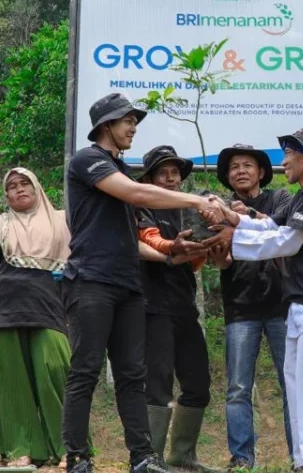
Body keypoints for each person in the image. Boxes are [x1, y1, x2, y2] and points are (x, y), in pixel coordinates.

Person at [61, 93, 220, 473]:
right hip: (91, 281)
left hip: (129, 286)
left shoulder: (119, 172)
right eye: (126, 121)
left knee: (133, 375)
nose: (133, 127)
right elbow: (135, 192)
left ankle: (142, 458)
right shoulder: (88, 161)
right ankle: (78, 457)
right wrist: (195, 201)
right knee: (85, 369)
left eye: (134, 121)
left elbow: (134, 242)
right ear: (105, 126)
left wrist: (171, 254)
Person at [206, 125, 303, 473]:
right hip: (301, 305)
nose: (283, 162)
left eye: (289, 154)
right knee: (301, 388)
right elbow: (271, 227)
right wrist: (233, 218)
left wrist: (233, 238)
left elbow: (288, 241)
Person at [0, 167, 73, 467]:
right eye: (11, 186)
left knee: (56, 370)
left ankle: (69, 446)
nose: (18, 189)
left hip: (50, 306)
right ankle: (19, 449)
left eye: (25, 183)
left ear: (37, 187)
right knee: (12, 382)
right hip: (6, 308)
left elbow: (80, 261)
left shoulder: (64, 221)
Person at [208, 143, 293, 469]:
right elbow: (226, 260)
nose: (240, 171)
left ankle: (299, 456)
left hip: (282, 305)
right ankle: (242, 459)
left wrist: (247, 216)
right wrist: (220, 259)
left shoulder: (280, 199)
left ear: (260, 171)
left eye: (247, 165)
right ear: (227, 177)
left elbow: (284, 230)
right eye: (234, 167)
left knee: (292, 386)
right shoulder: (218, 209)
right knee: (238, 388)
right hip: (239, 307)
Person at [134, 145, 216, 473]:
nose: (170, 178)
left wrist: (207, 245)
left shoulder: (187, 209)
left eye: (174, 173)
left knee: (198, 383)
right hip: (152, 306)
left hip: (184, 307)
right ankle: (150, 457)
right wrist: (173, 247)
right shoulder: (141, 206)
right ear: (150, 178)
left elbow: (195, 261)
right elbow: (150, 239)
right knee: (158, 383)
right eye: (163, 173)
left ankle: (182, 454)